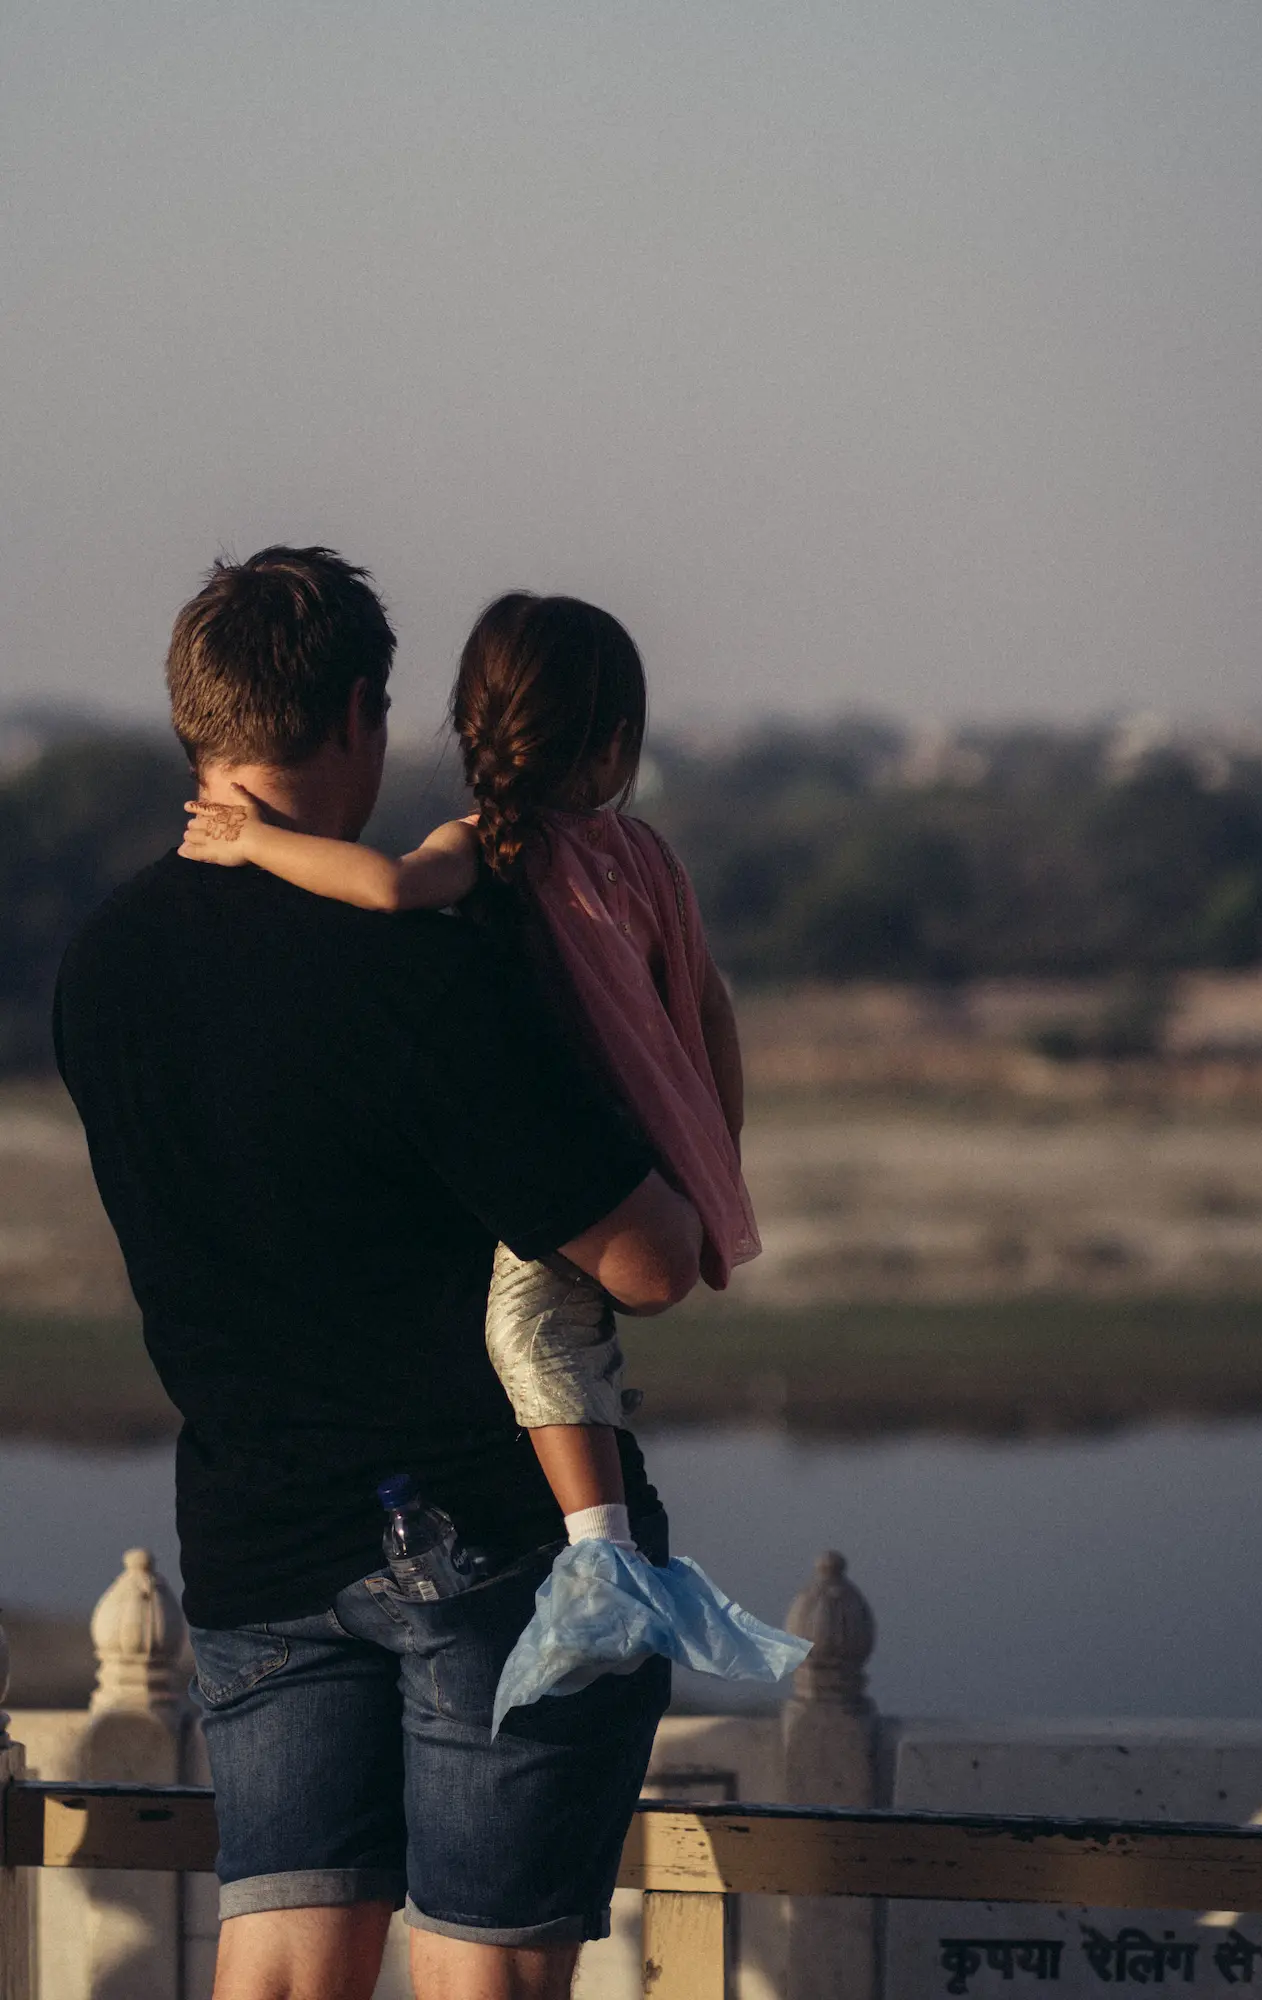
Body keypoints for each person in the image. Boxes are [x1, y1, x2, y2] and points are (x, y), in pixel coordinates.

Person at [53, 548, 703, 2000]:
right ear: (359, 712)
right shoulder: (416, 963)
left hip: (253, 1539)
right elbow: (651, 1261)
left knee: (279, 1970)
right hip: (486, 1541)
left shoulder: (104, 964)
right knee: (487, 1977)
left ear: (195, 723)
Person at [178, 595, 761, 1592]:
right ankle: (605, 1536)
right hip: (648, 1153)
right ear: (618, 742)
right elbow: (711, 1011)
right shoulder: (648, 857)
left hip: (574, 1163)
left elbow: (387, 890)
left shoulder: (496, 845)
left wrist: (250, 841)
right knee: (569, 1332)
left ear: (470, 725)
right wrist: (712, 1153)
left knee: (529, 1329)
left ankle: (601, 1555)